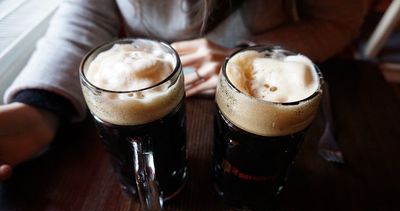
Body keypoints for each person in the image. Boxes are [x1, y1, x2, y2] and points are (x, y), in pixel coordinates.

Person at [0, 0, 368, 179]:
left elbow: (336, 21)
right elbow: (88, 13)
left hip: (273, 98)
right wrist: (38, 109)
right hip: (144, 99)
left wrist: (248, 57)